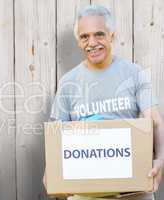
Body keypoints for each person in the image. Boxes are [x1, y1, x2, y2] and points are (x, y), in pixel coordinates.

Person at [42, 4, 164, 200]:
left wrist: (160, 160)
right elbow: (57, 133)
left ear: (111, 35)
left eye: (99, 34)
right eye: (84, 37)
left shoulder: (134, 74)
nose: (92, 42)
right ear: (79, 42)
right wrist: (52, 171)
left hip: (134, 191)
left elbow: (155, 122)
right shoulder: (68, 83)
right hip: (85, 193)